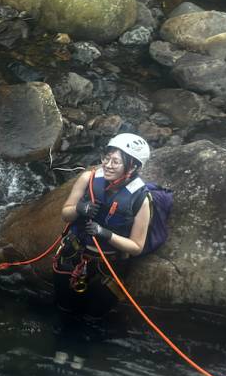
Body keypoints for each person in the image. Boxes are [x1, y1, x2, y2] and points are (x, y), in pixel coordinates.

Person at [53, 132, 154, 316]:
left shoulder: (141, 199)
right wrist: (80, 209)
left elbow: (136, 246)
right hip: (75, 255)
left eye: (115, 162)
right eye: (106, 158)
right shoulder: (88, 179)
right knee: (63, 309)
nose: (107, 165)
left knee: (93, 318)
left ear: (132, 167)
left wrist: (105, 234)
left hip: (107, 267)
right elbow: (65, 214)